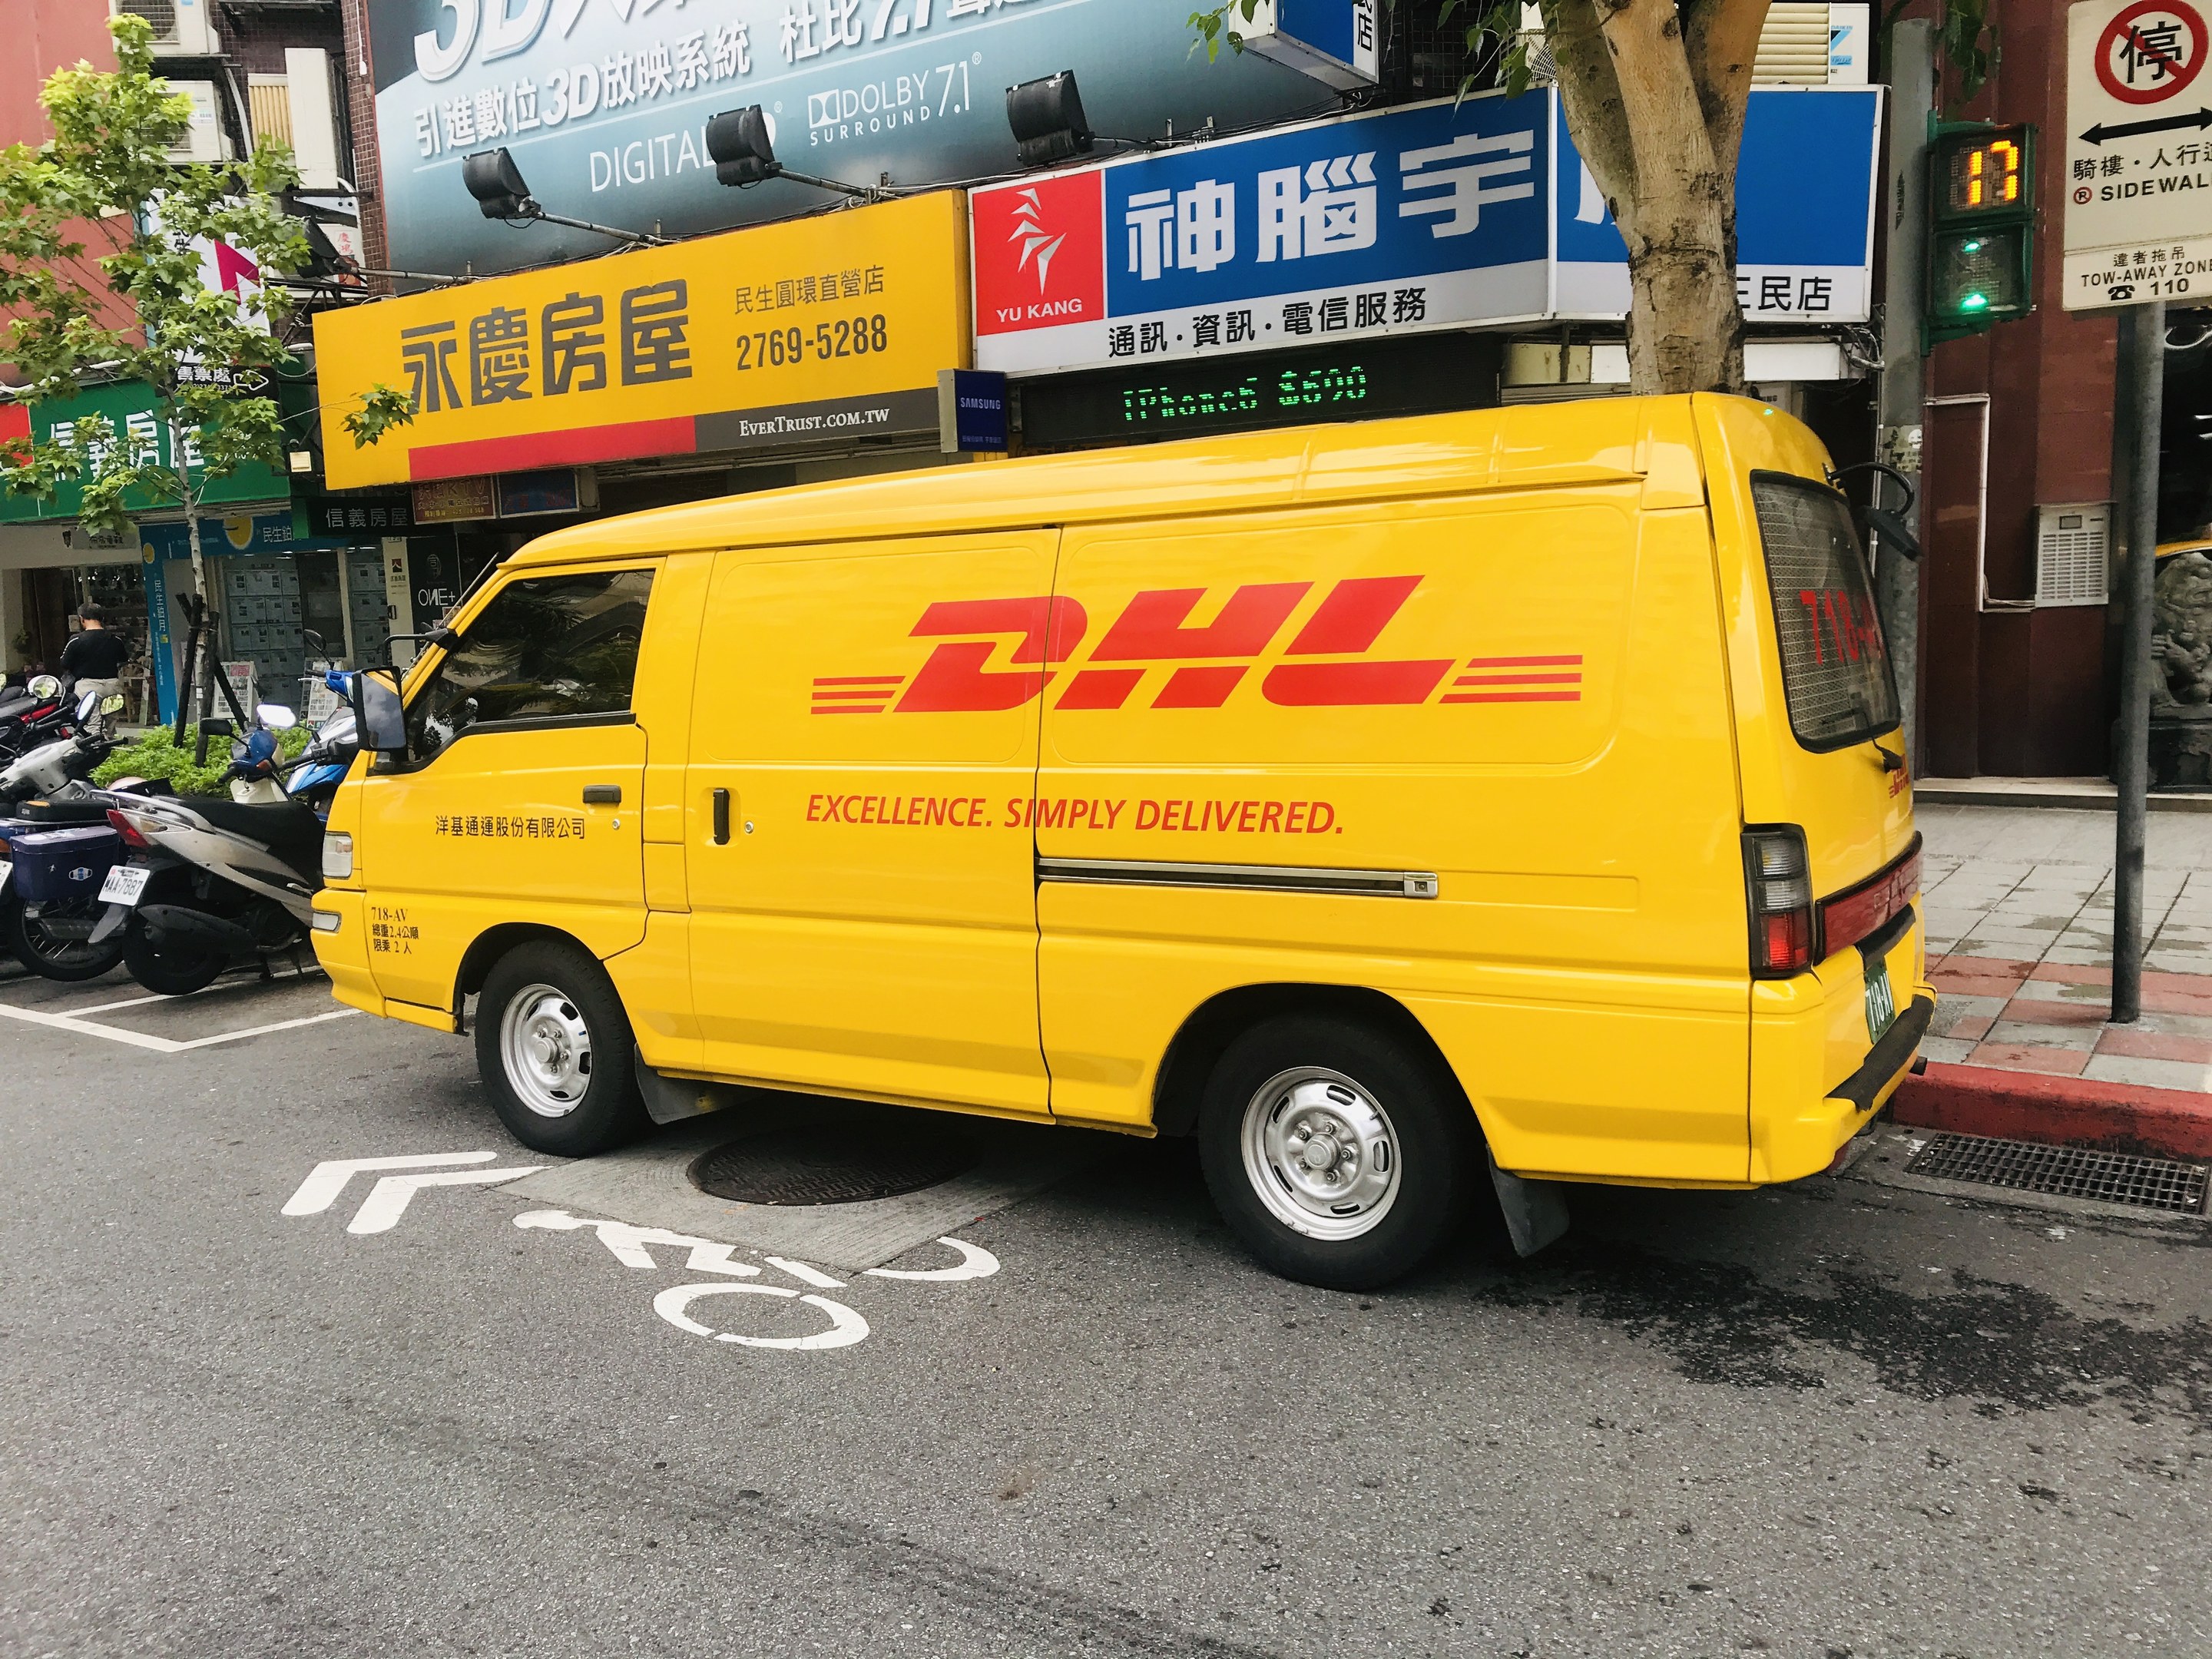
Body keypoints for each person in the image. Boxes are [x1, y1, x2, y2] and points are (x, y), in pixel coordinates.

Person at [60, 602, 128, 717]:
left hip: (87, 687)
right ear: (102, 618)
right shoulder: (116, 640)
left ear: (82, 619)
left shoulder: (76, 640)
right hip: (112, 686)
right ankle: (108, 736)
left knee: (91, 725)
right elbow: (123, 662)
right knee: (110, 725)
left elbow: (65, 663)